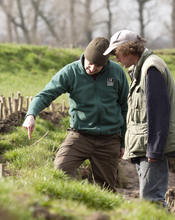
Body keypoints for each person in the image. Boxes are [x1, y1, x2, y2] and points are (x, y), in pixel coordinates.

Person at [22, 37, 129, 192]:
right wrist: (31, 115)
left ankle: (101, 214)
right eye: (89, 64)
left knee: (106, 189)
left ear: (106, 63)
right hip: (80, 135)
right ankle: (71, 205)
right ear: (84, 56)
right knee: (60, 169)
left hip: (109, 138)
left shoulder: (116, 72)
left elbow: (125, 107)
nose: (92, 68)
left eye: (97, 66)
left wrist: (123, 141)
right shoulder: (70, 72)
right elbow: (45, 95)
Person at [103, 30, 175, 206]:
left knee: (152, 201)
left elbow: (159, 111)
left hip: (151, 148)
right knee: (150, 200)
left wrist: (155, 149)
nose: (116, 60)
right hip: (145, 146)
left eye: (117, 54)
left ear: (128, 49)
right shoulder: (141, 68)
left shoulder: (151, 68)